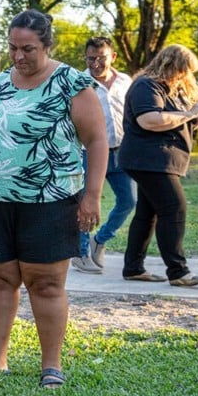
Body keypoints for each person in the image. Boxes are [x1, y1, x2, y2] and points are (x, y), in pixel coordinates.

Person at [0, 10, 107, 389]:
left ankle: (51, 366)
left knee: (45, 283)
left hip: (52, 199)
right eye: (12, 48)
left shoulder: (71, 82)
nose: (18, 56)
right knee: (0, 279)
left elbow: (96, 140)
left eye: (28, 48)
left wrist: (91, 196)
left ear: (47, 45)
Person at [119, 45, 198, 286]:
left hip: (160, 159)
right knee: (174, 208)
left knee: (147, 214)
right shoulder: (146, 85)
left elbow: (180, 123)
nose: (186, 76)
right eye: (183, 70)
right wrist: (188, 114)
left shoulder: (172, 89)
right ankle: (178, 272)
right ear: (171, 64)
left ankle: (133, 268)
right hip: (149, 159)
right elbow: (150, 120)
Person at [71, 37, 136, 274]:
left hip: (120, 151)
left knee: (129, 201)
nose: (96, 63)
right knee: (85, 203)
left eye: (101, 58)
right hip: (88, 153)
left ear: (113, 57)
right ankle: (80, 254)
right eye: (91, 58)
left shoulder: (125, 82)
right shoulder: (79, 82)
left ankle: (102, 238)